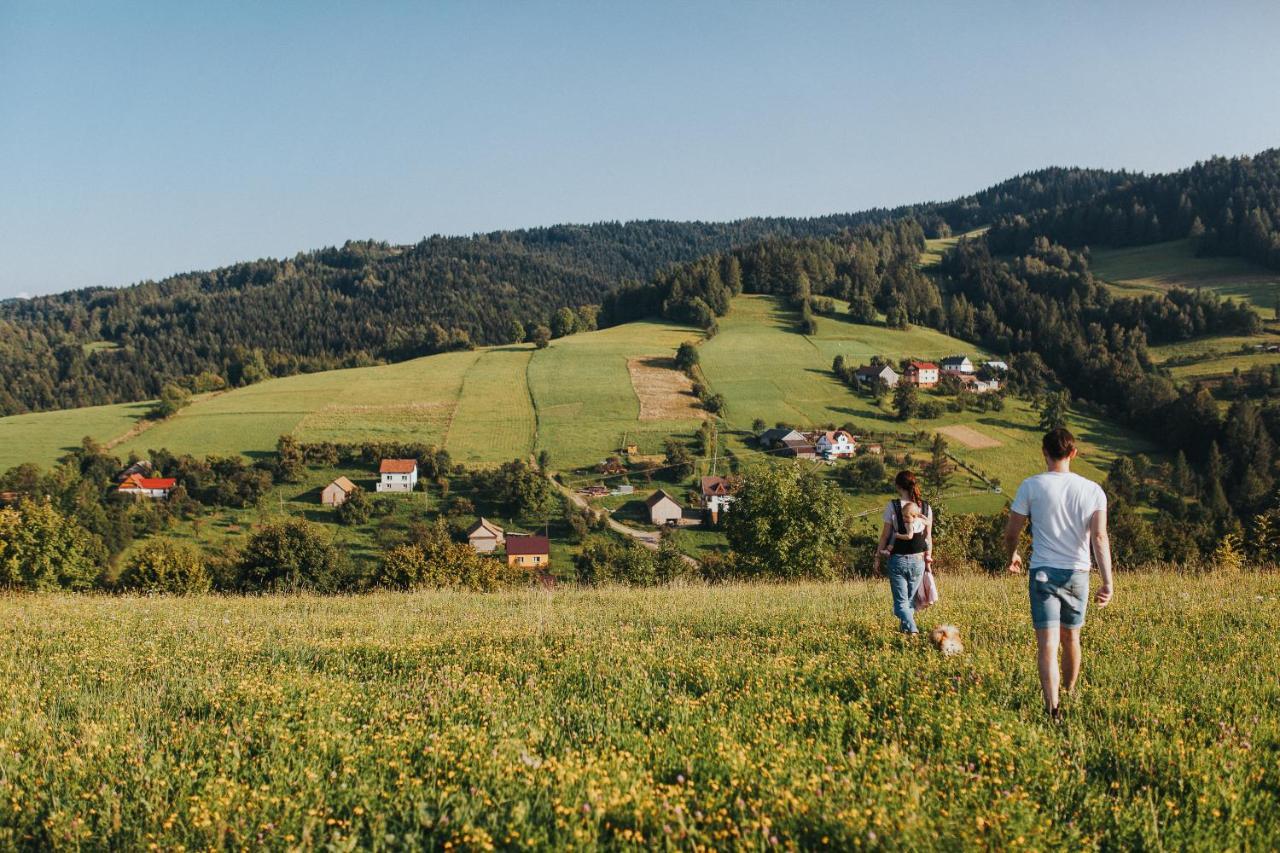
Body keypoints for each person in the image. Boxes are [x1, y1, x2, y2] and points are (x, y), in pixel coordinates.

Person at [1003, 427, 1114, 721]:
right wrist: (1108, 581)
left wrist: (1012, 553)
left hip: (1042, 573)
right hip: (1078, 573)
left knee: (1048, 645)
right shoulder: (1093, 490)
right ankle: (1069, 690)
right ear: (1073, 454)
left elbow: (1012, 531)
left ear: (1044, 452)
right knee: (1071, 639)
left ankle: (1053, 708)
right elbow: (1100, 537)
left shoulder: (1031, 486)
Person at [874, 471, 933, 634]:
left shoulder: (892, 506)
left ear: (898, 486)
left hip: (898, 560)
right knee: (909, 603)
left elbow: (885, 536)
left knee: (900, 606)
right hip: (919, 560)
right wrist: (928, 560)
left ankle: (912, 630)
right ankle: (905, 635)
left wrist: (878, 557)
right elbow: (928, 537)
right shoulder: (926, 508)